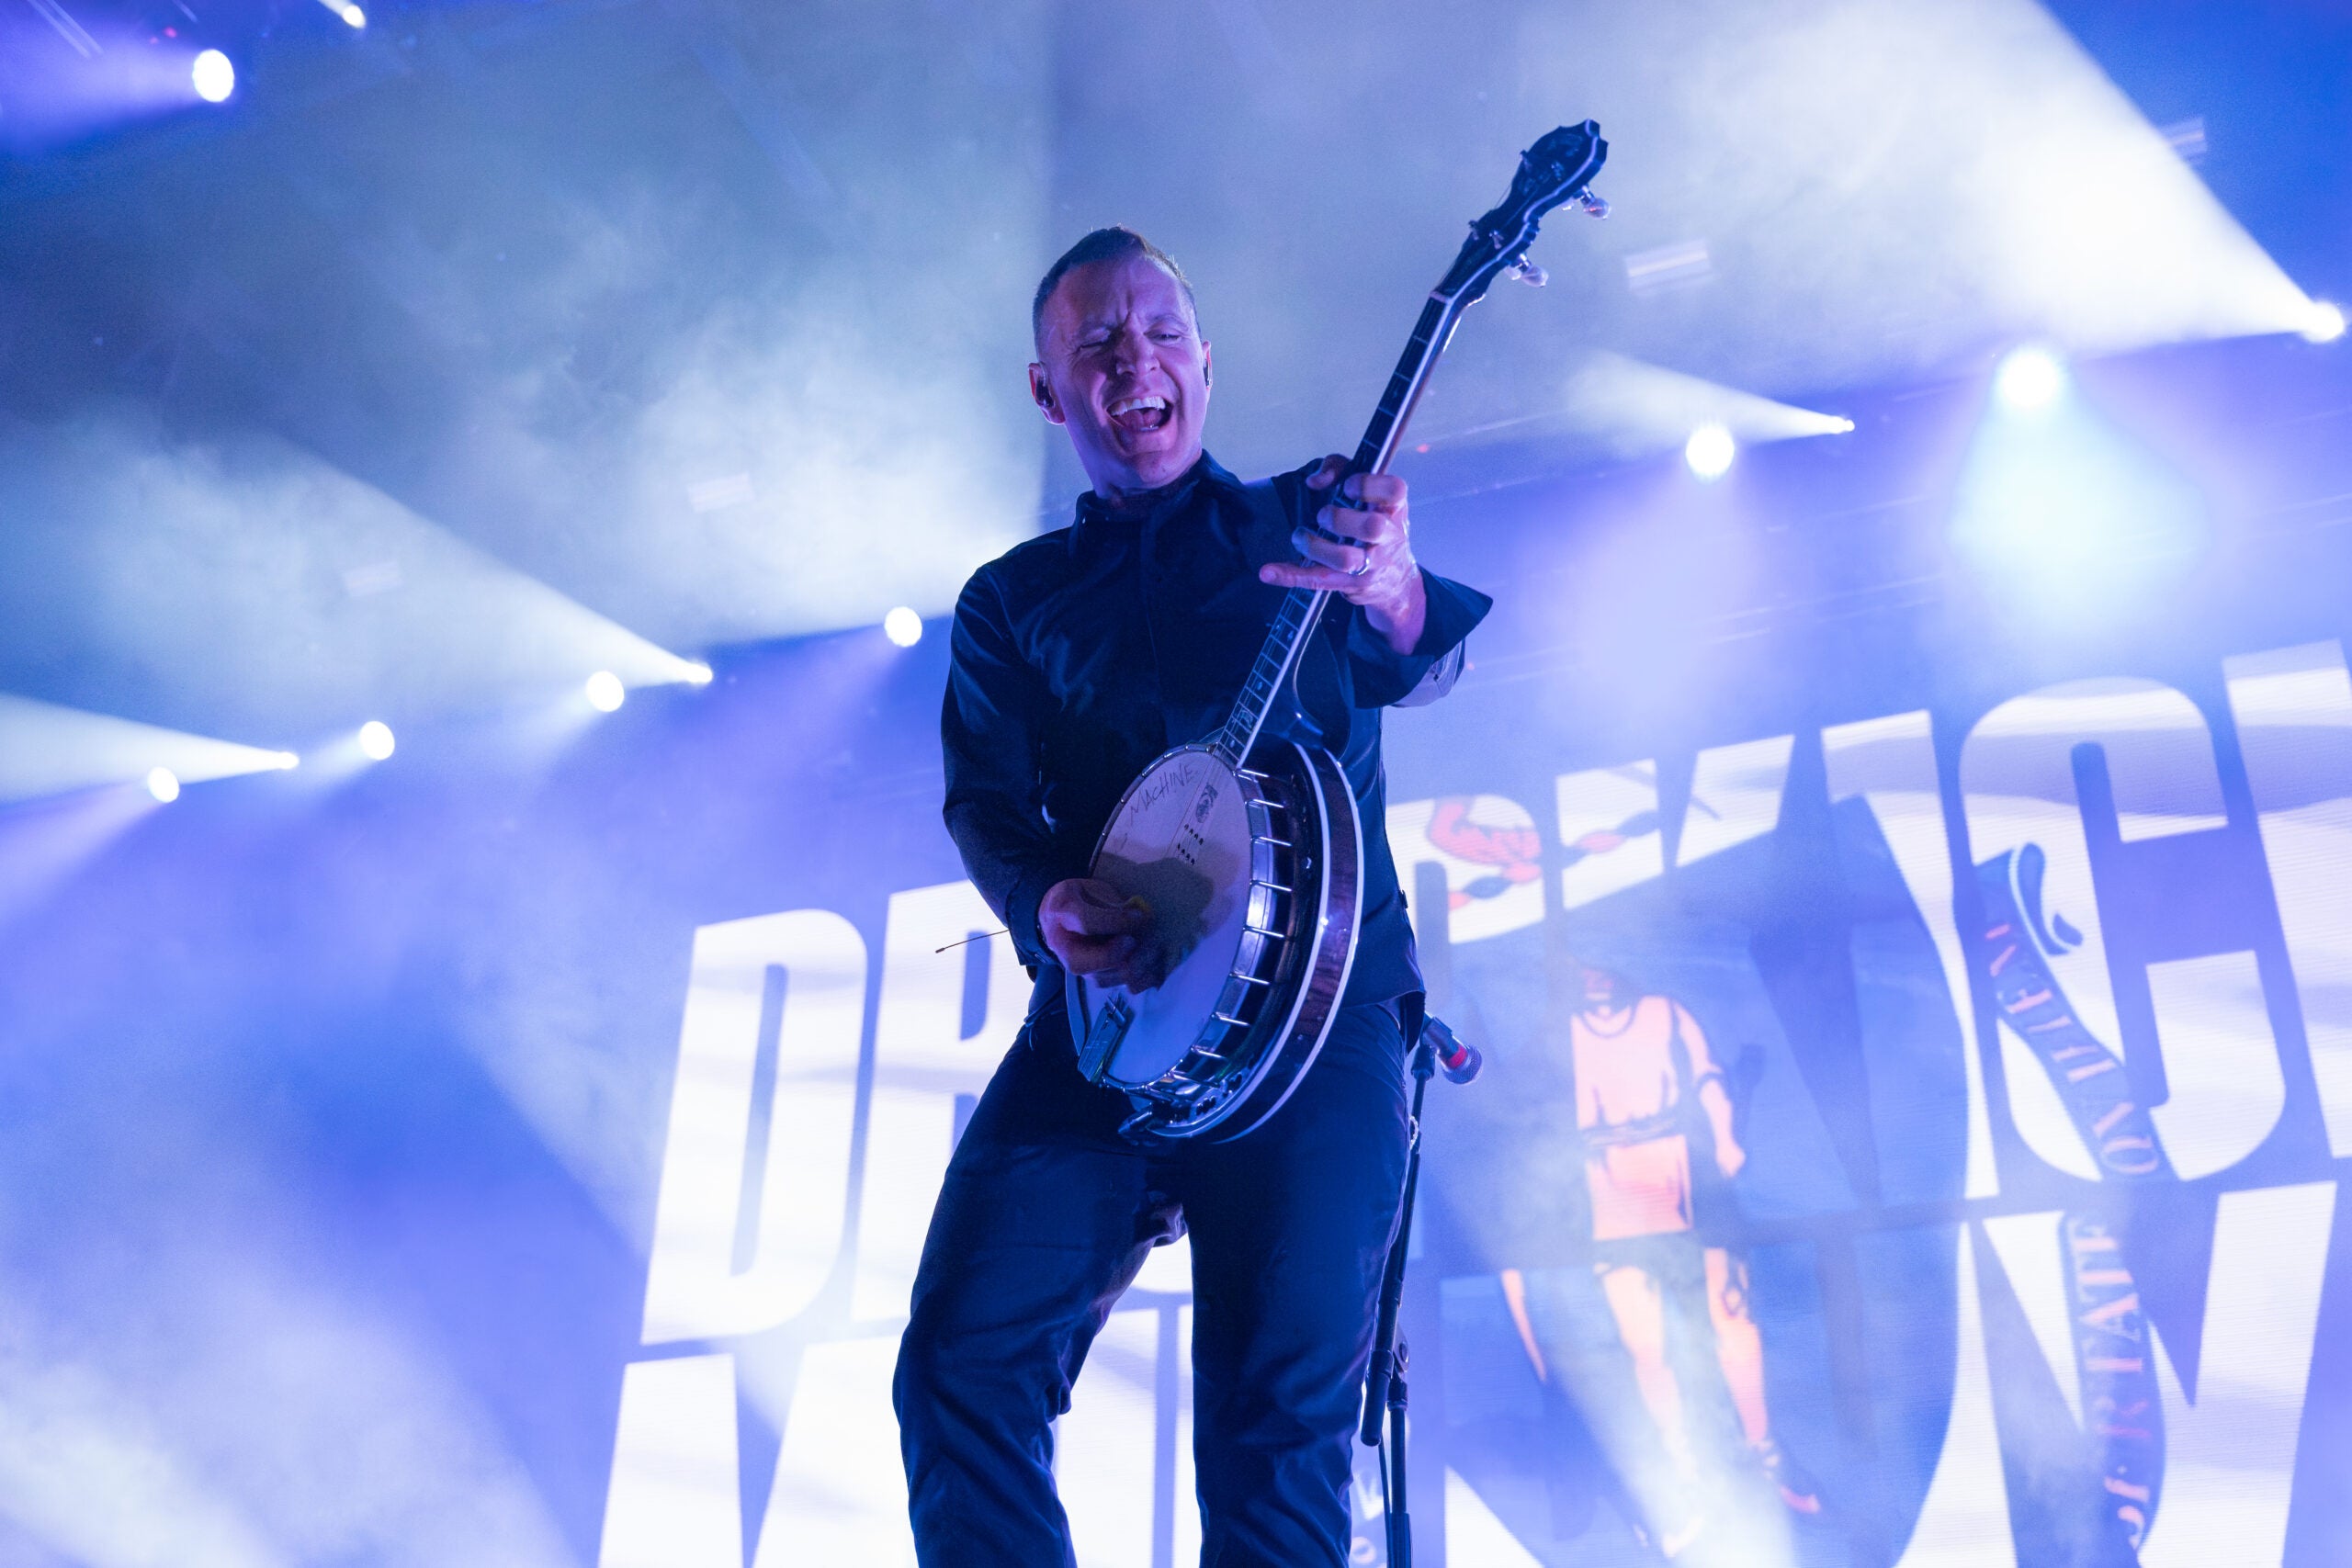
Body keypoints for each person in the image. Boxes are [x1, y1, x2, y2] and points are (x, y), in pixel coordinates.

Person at [892, 225, 1490, 1566]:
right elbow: (984, 801)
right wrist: (1046, 897)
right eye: (1096, 342)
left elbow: (1423, 656)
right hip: (1107, 1022)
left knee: (1274, 1440)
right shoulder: (1012, 602)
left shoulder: (1308, 520)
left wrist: (1390, 584)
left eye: (1160, 331)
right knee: (956, 1364)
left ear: (1204, 364)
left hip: (1320, 1026)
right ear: (1050, 390)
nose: (1134, 359)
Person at [1562, 959, 1819, 1547]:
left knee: (1734, 1322)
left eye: (1604, 964)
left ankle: (1763, 1449)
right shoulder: (1566, 1034)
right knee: (1647, 1348)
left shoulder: (1662, 1013)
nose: (1594, 977)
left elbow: (1705, 1075)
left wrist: (1726, 1139)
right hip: (1613, 1197)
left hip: (1685, 1181)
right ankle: (1682, 1477)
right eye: (1581, 969)